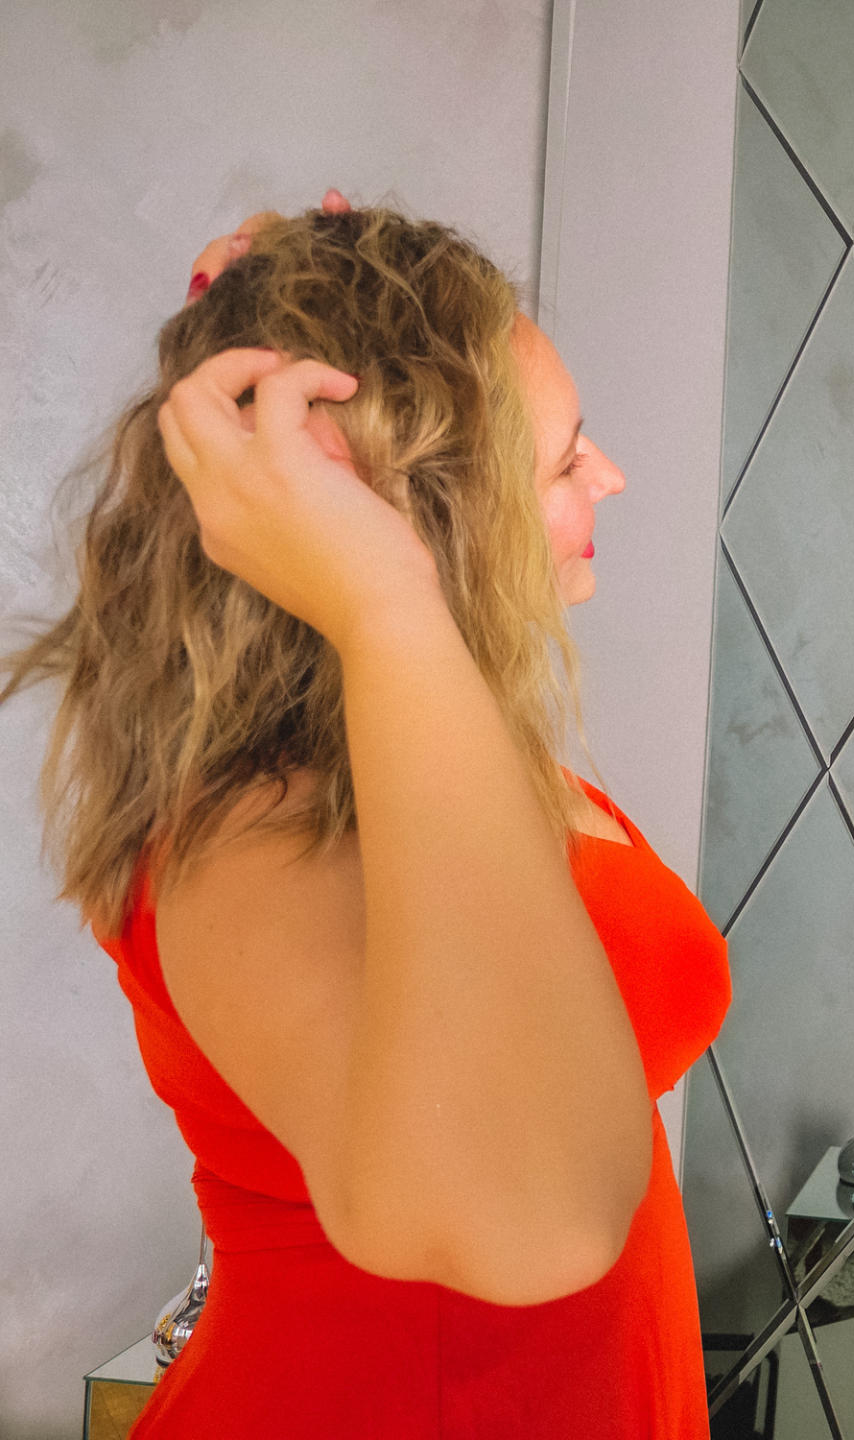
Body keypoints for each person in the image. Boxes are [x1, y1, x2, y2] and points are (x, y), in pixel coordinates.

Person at [2, 200, 729, 1437]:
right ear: (430, 513)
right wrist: (387, 599)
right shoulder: (252, 838)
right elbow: (536, 1220)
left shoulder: (440, 738)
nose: (608, 477)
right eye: (564, 461)